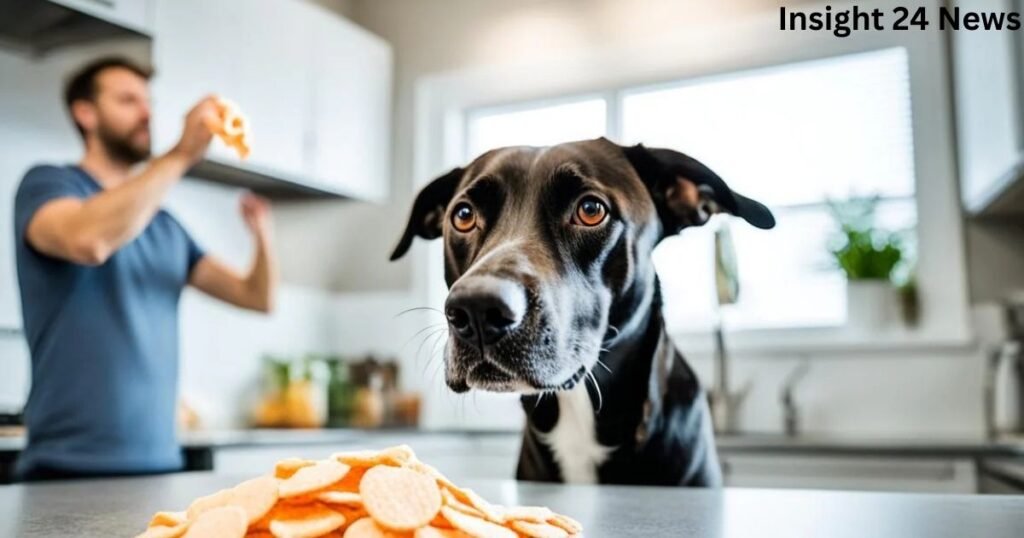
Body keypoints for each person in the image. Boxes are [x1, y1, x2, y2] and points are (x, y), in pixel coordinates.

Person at [12, 57, 277, 480]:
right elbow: (89, 241)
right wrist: (181, 154)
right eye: (127, 100)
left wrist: (262, 234)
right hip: (65, 469)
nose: (147, 113)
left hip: (158, 467)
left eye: (149, 102)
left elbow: (256, 297)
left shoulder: (165, 226)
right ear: (86, 113)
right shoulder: (47, 186)